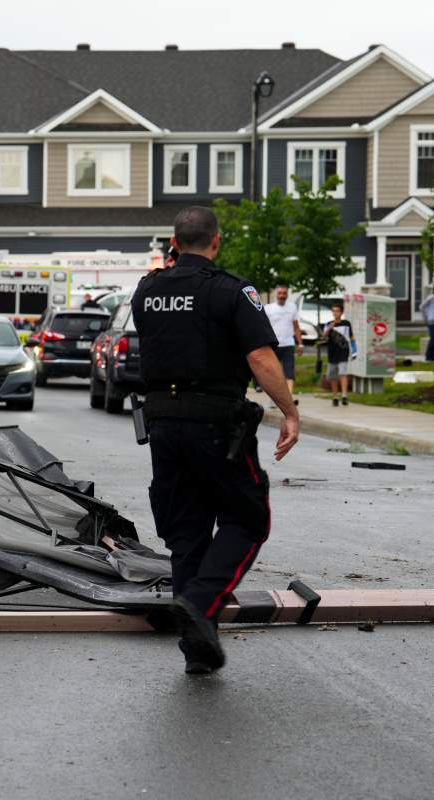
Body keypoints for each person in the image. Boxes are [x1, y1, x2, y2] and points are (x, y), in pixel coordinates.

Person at [132, 206, 300, 675]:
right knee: (248, 518)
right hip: (214, 424)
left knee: (187, 534)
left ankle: (198, 650)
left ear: (173, 240)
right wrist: (289, 411)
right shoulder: (231, 289)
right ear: (216, 241)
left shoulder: (147, 291)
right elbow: (261, 358)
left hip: (162, 424)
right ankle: (201, 604)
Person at [264, 285, 304, 399]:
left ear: (287, 295)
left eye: (284, 293)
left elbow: (296, 327)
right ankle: (275, 397)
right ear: (276, 294)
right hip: (274, 345)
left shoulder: (292, 307)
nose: (282, 295)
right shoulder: (268, 308)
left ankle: (289, 397)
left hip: (288, 344)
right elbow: (264, 327)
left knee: (289, 372)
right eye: (280, 293)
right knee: (274, 374)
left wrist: (300, 343)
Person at [322, 303, 354, 406]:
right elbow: (324, 336)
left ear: (341, 312)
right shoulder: (328, 324)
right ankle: (335, 396)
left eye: (338, 311)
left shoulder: (346, 323)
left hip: (343, 352)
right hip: (332, 353)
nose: (336, 313)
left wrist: (354, 350)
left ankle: (344, 396)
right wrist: (330, 328)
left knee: (343, 373)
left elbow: (351, 337)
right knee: (333, 376)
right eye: (334, 311)